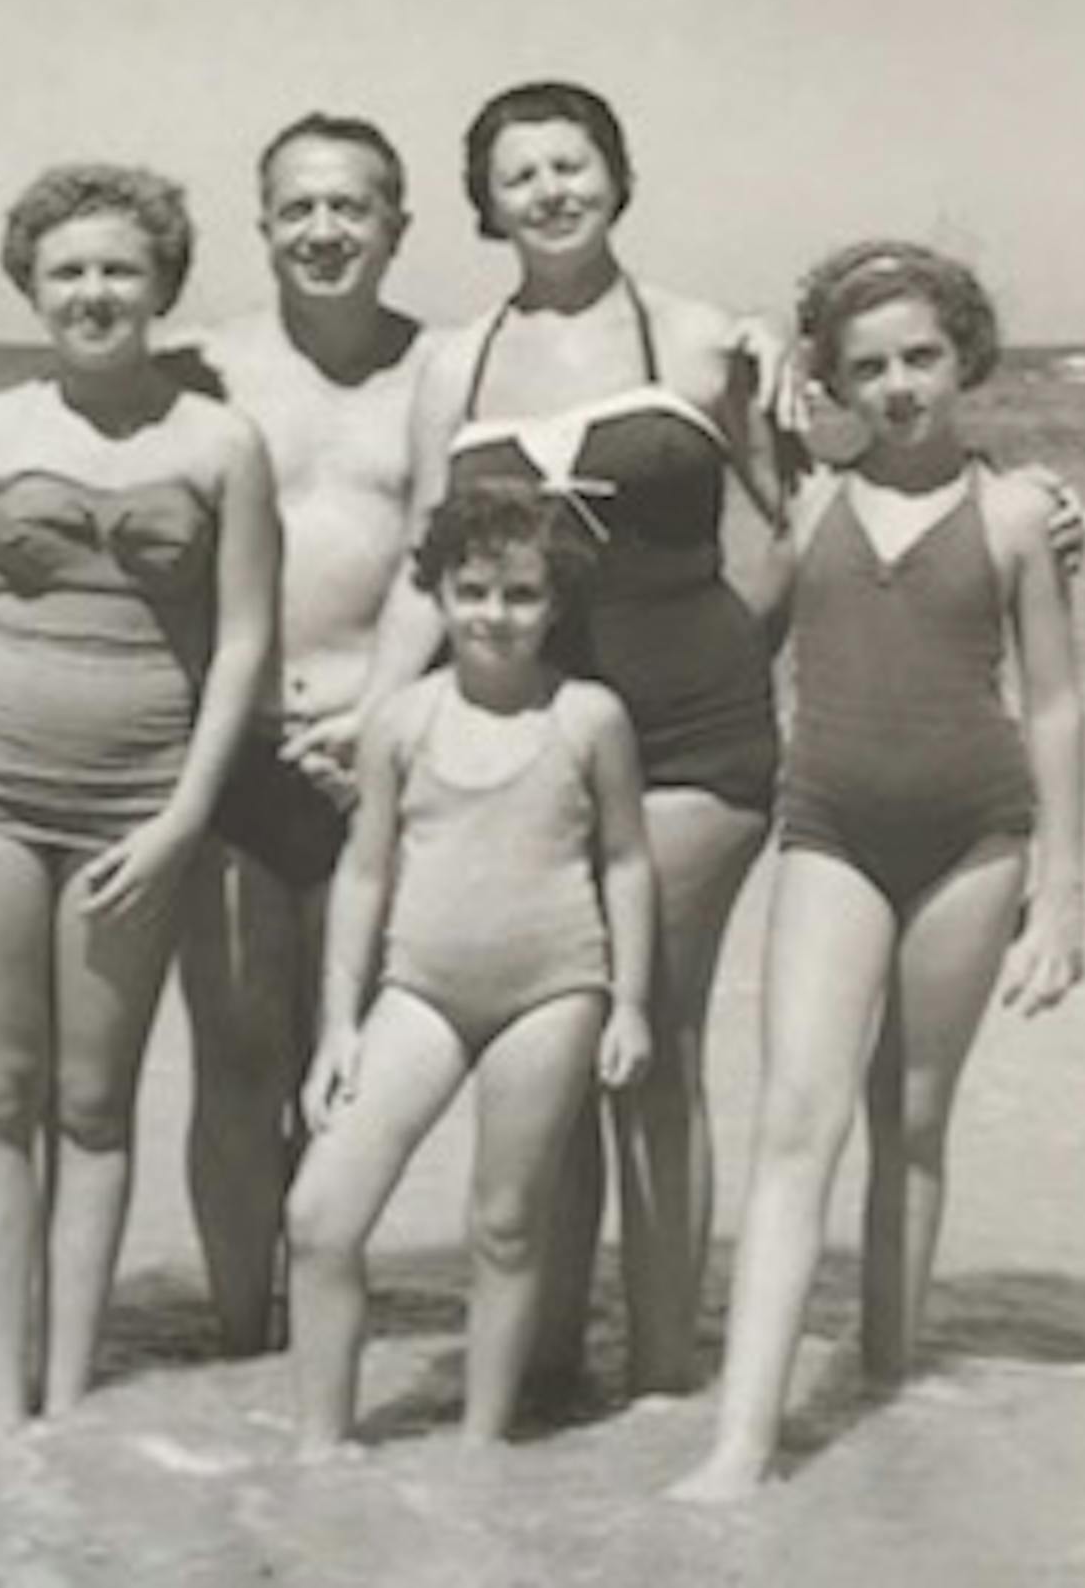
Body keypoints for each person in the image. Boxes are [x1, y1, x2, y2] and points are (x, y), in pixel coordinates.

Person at [0, 115, 433, 1356]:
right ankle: (247, 1350)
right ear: (262, 224)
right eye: (296, 206)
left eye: (351, 205)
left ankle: (327, 1349)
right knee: (236, 1062)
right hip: (223, 755)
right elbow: (64, 387)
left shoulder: (447, 369)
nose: (323, 228)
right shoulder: (203, 363)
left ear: (399, 221)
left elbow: (543, 450)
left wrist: (758, 348)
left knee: (351, 1066)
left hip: (380, 746)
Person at [313, 80, 802, 1405]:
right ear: (484, 202)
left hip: (698, 745)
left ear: (616, 172)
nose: (549, 191)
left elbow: (800, 519)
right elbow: (432, 556)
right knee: (555, 1038)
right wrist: (372, 709)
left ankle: (656, 1377)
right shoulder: (454, 363)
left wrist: (731, 659)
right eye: (518, 174)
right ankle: (541, 1367)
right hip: (530, 750)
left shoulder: (704, 339)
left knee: (654, 1049)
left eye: (571, 163)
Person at [0, 163, 280, 1434]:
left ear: (162, 285)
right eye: (68, 272)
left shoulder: (221, 441)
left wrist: (180, 817)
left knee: (93, 1105)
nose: (94, 292)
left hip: (141, 802)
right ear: (29, 288)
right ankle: (2, 1420)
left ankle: (66, 1396)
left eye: (119, 269)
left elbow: (246, 648)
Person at [671, 242, 1085, 1502]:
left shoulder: (1018, 512)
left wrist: (1060, 897)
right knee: (795, 1120)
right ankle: (742, 1441)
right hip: (829, 828)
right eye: (867, 366)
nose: (897, 384)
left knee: (909, 1121)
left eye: (919, 356)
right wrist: (754, 368)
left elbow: (1058, 710)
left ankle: (888, 1380)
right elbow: (726, 569)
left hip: (974, 834)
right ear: (832, 379)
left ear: (963, 355)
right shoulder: (803, 501)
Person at [286, 482, 654, 1455]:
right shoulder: (401, 720)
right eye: (474, 589)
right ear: (440, 591)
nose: (494, 614)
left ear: (557, 604)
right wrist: (338, 1023)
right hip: (419, 990)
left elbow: (625, 861)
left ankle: (478, 1452)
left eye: (522, 594)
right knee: (319, 1215)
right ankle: (319, 1445)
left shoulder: (588, 718)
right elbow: (363, 872)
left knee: (503, 1224)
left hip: (554, 989)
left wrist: (631, 1003)